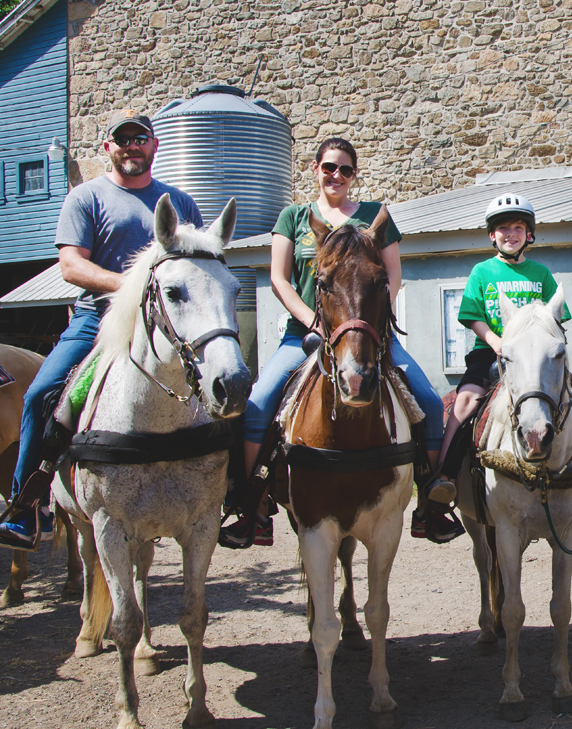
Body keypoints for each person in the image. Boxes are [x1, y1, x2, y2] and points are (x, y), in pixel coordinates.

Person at [219, 137, 456, 548]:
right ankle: (250, 506)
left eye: (346, 169)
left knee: (431, 404)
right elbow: (279, 278)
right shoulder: (294, 216)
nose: (337, 176)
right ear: (315, 169)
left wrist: (369, 325)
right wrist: (311, 319)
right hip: (305, 335)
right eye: (329, 167)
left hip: (368, 336)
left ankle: (430, 504)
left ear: (354, 175)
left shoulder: (374, 216)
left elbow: (392, 275)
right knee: (257, 406)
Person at [0, 109, 203, 550]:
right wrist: (133, 287)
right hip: (99, 319)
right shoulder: (86, 197)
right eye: (123, 140)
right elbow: (71, 265)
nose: (132, 146)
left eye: (140, 139)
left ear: (154, 146)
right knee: (41, 394)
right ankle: (27, 507)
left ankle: (233, 500)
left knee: (221, 388)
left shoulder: (180, 202)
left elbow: (194, 267)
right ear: (108, 148)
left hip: (167, 324)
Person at [433, 193, 572, 503]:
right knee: (465, 401)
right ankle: (444, 475)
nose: (510, 234)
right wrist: (497, 342)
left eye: (517, 228)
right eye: (502, 229)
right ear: (491, 235)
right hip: (492, 351)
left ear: (529, 234)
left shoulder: (541, 274)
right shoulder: (482, 272)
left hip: (538, 356)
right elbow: (474, 318)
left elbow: (556, 322)